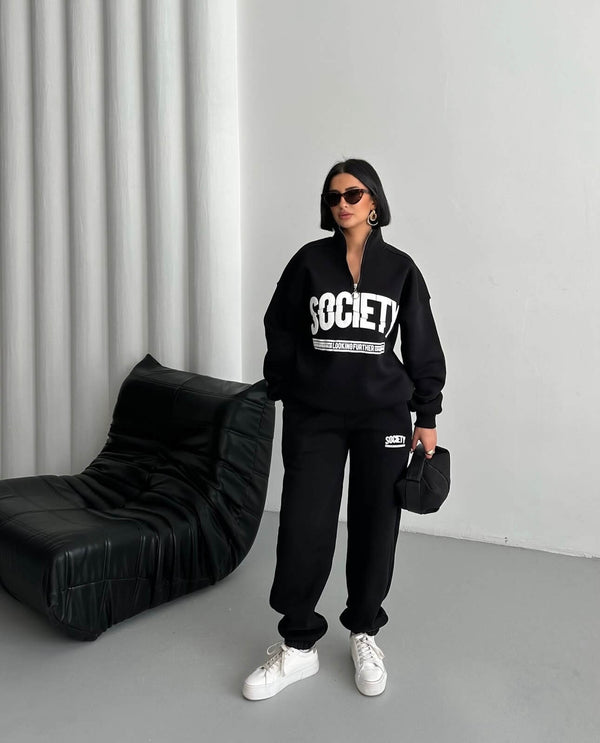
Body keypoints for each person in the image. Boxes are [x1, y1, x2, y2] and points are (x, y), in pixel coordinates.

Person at [242, 158, 446, 700]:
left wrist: (427, 415)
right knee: (304, 523)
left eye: (353, 194)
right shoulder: (308, 262)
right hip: (316, 417)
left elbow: (421, 342)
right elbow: (280, 325)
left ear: (374, 201)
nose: (342, 204)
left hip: (384, 416)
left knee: (376, 522)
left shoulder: (400, 269)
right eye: (333, 197)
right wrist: (285, 385)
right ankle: (298, 644)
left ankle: (364, 631)